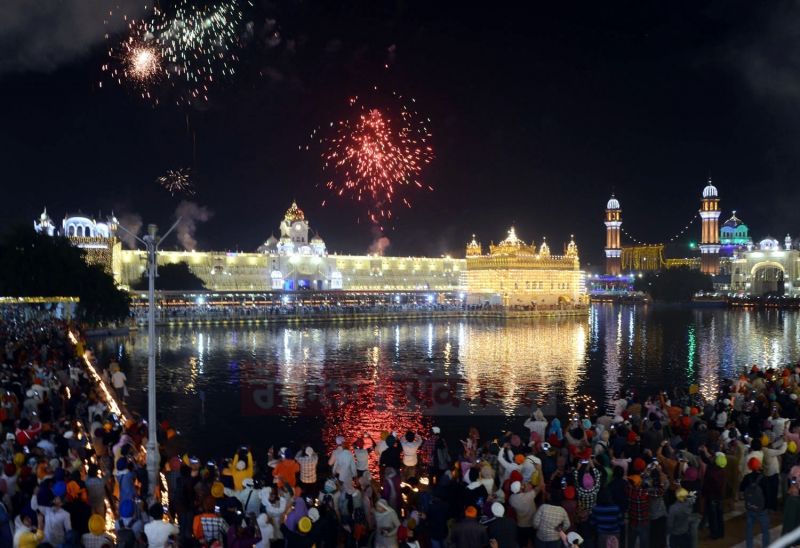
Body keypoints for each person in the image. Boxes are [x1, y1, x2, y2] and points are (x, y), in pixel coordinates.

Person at [741, 457, 770, 548]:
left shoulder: (747, 477)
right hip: (762, 508)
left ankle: (749, 546)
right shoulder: (764, 478)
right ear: (759, 466)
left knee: (749, 530)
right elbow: (767, 494)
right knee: (765, 530)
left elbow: (741, 490)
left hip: (750, 507)